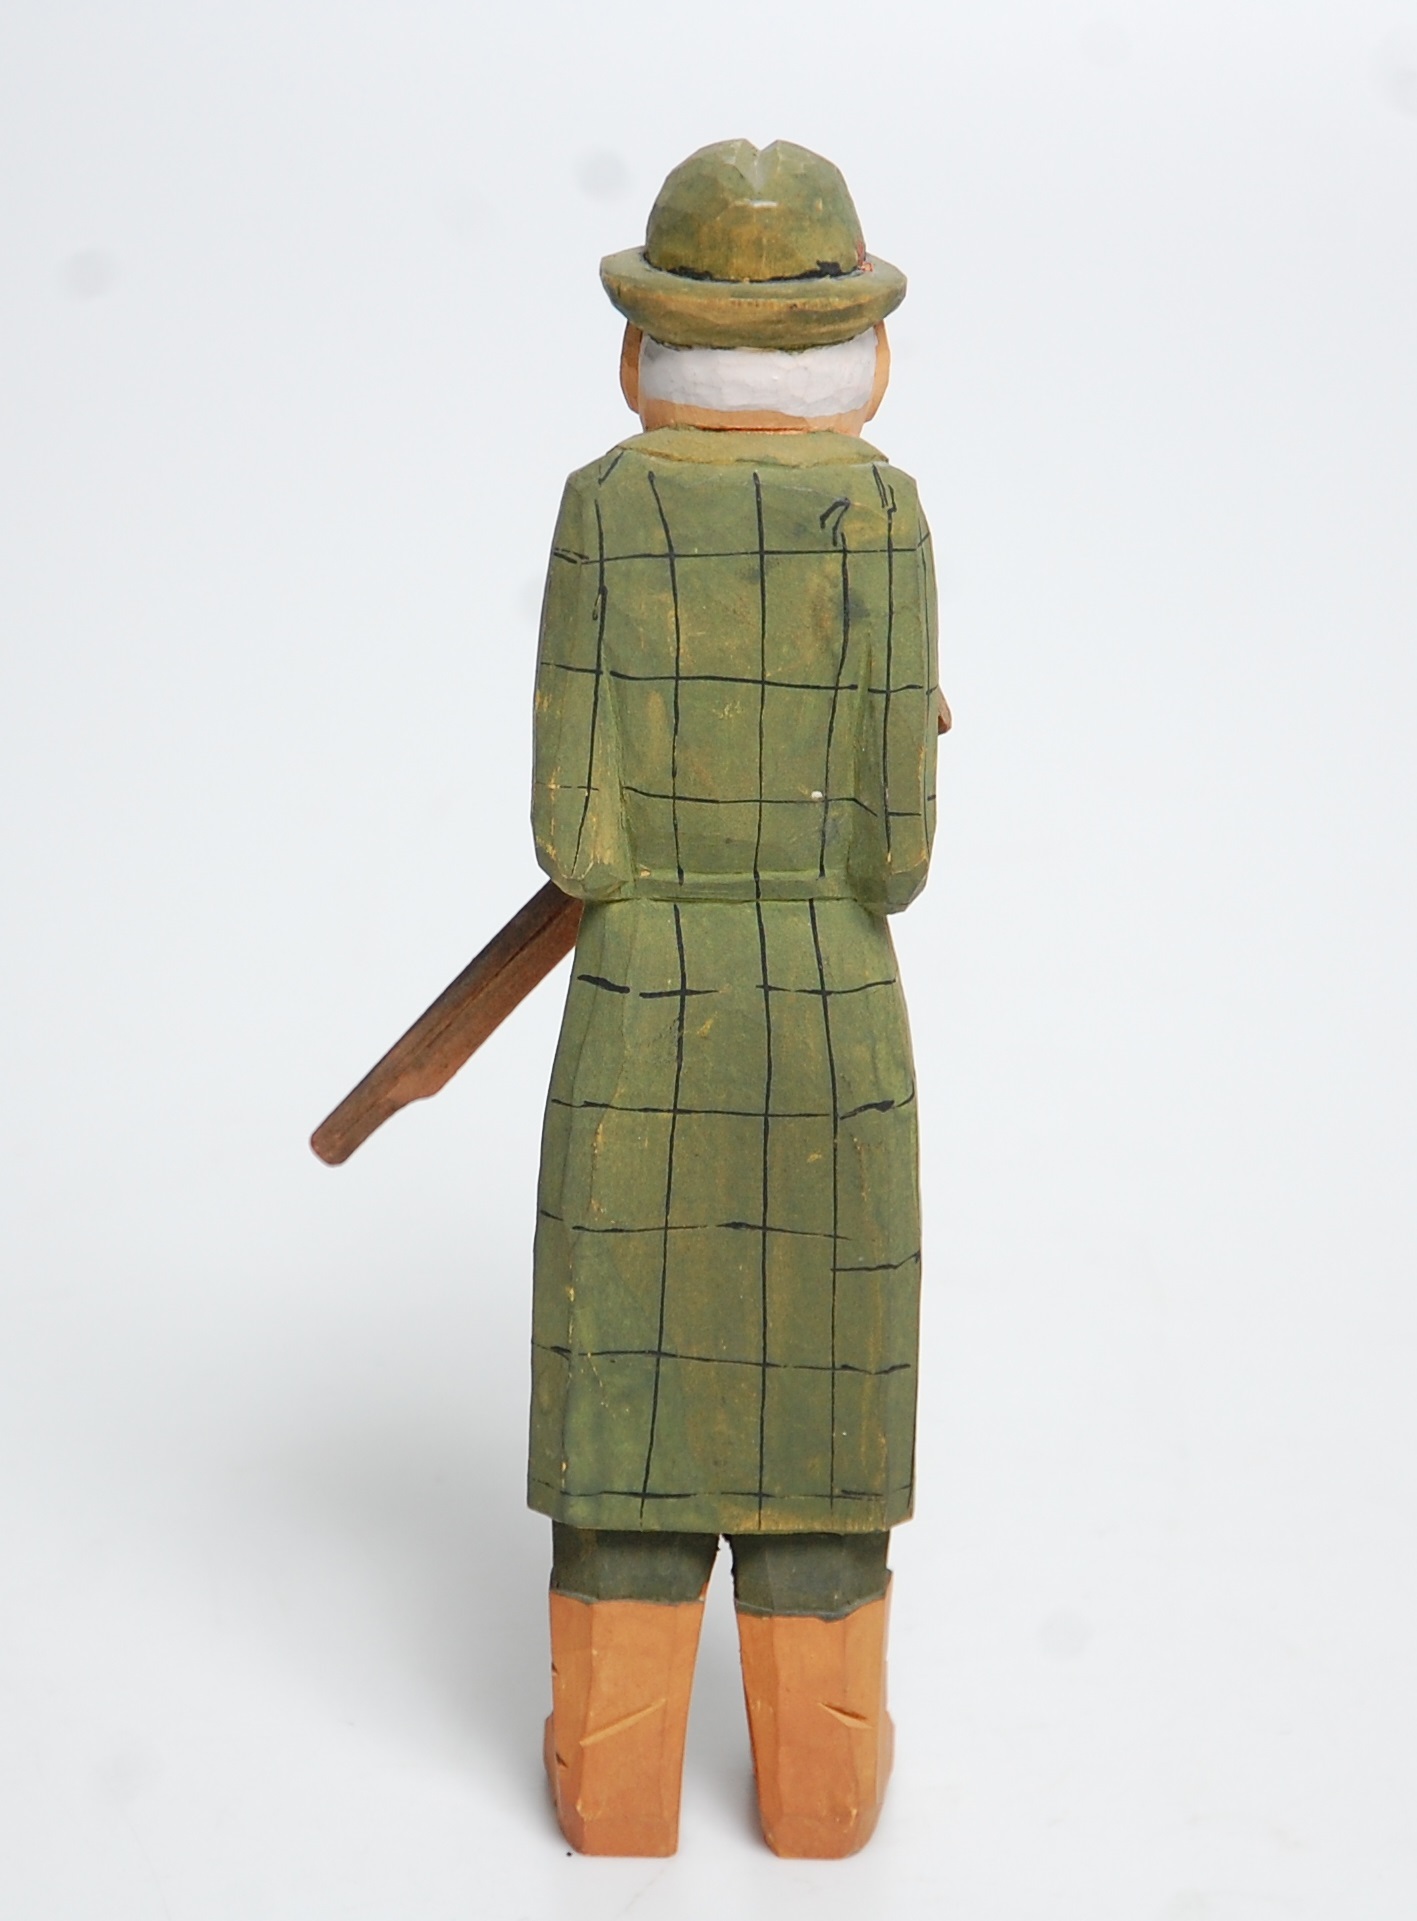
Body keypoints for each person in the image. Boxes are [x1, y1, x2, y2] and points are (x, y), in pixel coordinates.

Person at [528, 139, 939, 1858]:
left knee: (622, 1411)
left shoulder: (604, 508)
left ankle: (612, 1786)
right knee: (822, 1415)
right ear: (863, 350)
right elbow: (896, 854)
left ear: (646, 347)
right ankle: (821, 1793)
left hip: (640, 989)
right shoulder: (881, 513)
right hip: (828, 999)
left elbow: (572, 832)